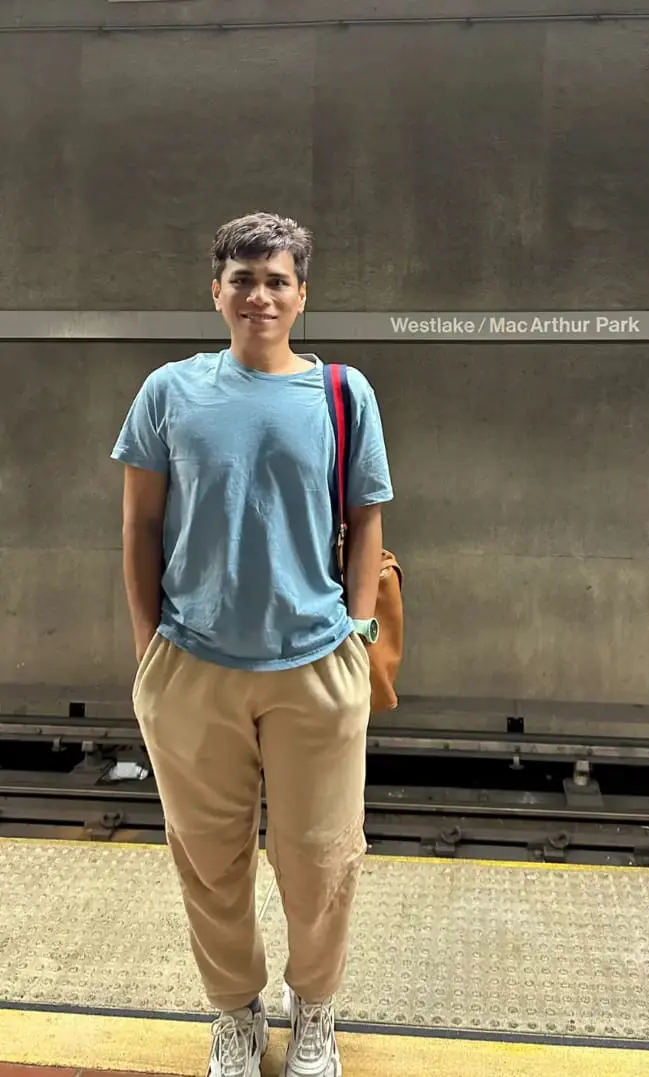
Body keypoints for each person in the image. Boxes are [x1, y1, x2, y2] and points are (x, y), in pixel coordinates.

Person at [111, 212, 393, 1077]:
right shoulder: (170, 391)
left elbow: (366, 517)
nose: (258, 294)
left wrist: (357, 633)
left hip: (315, 665)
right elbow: (141, 525)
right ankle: (236, 1013)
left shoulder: (343, 394)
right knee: (208, 860)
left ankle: (315, 1012)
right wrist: (149, 652)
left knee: (320, 858)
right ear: (216, 292)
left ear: (302, 295)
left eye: (276, 280)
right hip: (193, 666)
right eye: (242, 279)